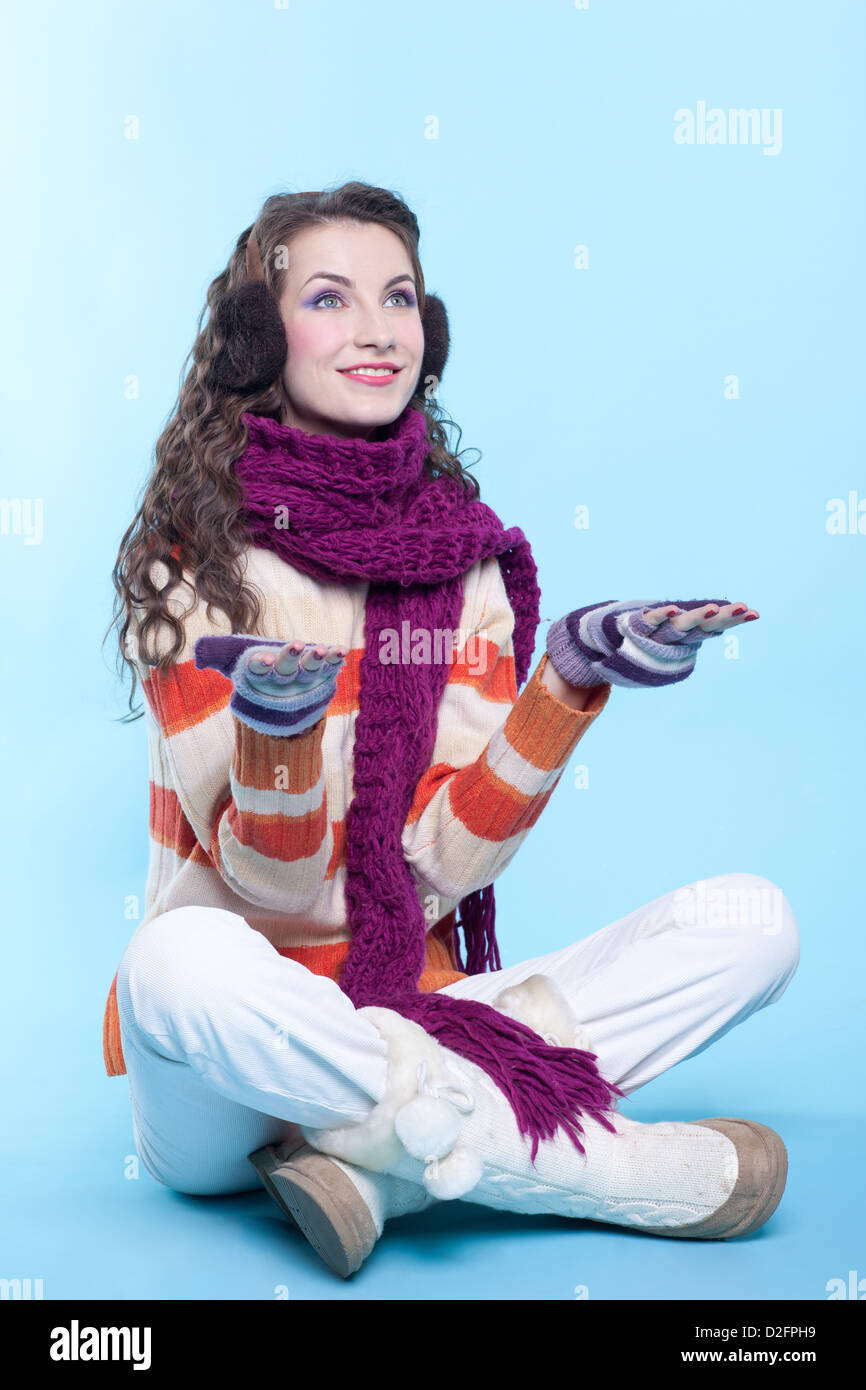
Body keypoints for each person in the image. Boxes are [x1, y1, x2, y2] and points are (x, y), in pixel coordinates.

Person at [102, 181, 800, 1281]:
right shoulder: (194, 560)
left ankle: (374, 1164)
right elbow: (275, 894)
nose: (377, 328)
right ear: (253, 335)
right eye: (329, 298)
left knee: (753, 921)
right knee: (173, 960)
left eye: (400, 298)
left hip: (420, 1003)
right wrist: (277, 737)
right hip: (233, 1069)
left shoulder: (466, 564)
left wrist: (561, 685)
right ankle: (599, 1169)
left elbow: (440, 868)